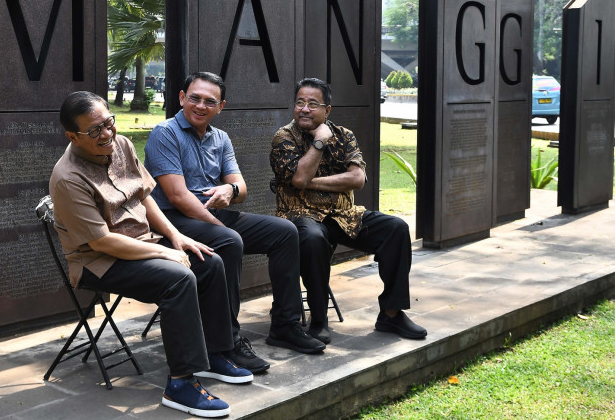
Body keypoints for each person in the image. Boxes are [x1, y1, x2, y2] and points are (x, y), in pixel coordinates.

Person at [50, 91, 251, 418]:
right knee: (178, 278)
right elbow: (102, 243)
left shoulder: (123, 145)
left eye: (108, 123)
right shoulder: (68, 178)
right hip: (99, 262)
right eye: (95, 131)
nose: (107, 134)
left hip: (143, 241)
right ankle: (181, 385)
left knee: (209, 261)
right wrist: (164, 254)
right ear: (72, 136)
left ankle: (214, 354)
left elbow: (144, 198)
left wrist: (176, 237)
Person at [144, 72, 326, 373]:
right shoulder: (165, 133)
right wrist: (221, 224)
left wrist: (230, 190)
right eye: (195, 98)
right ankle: (227, 341)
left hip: (213, 217)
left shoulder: (220, 138)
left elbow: (241, 188)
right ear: (181, 98)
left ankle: (285, 324)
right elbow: (177, 196)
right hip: (172, 223)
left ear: (221, 106)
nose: (201, 106)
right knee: (229, 240)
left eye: (210, 101)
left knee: (284, 231)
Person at [269, 78, 427, 344]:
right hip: (300, 214)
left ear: (327, 110)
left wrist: (308, 181)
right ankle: (319, 319)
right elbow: (297, 180)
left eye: (312, 104)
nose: (304, 109)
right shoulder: (284, 137)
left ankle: (391, 313)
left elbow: (357, 178)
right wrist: (318, 143)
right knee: (313, 238)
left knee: (396, 229)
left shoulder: (344, 135)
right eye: (299, 103)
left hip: (344, 214)